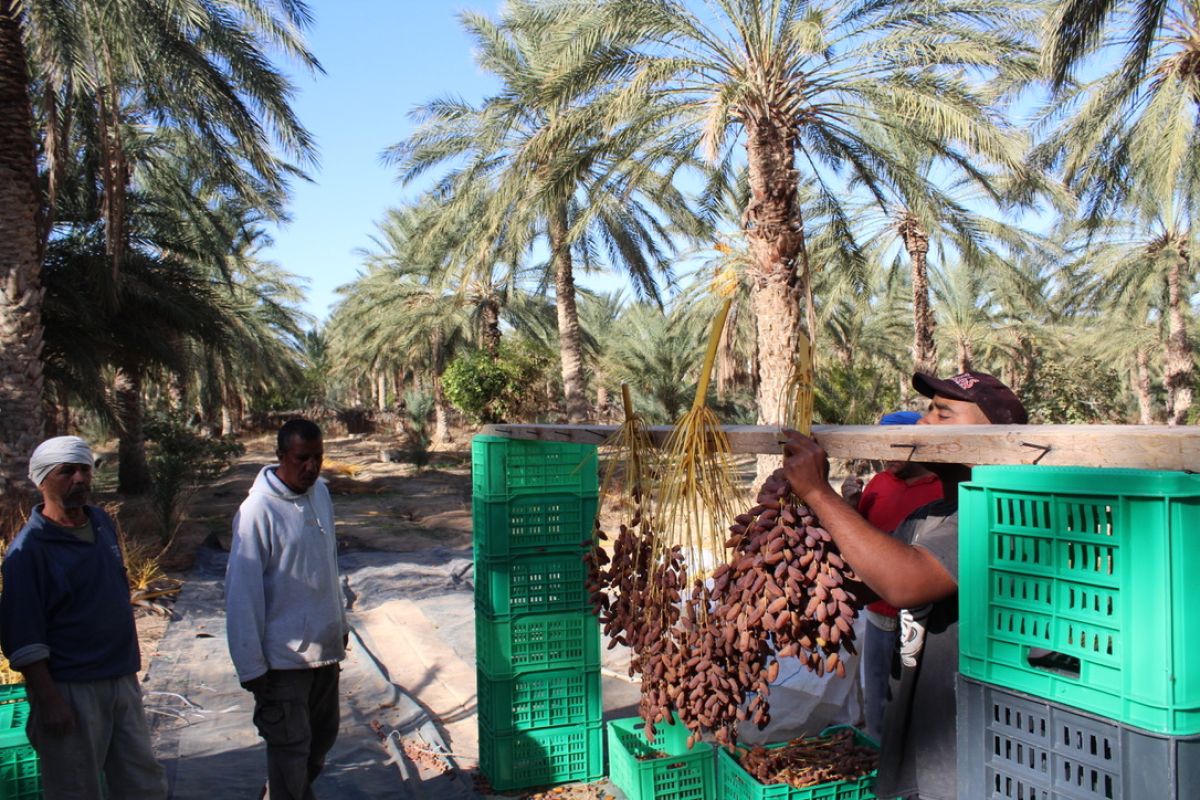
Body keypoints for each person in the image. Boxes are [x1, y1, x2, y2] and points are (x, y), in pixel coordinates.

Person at [782, 371, 1027, 800]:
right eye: (927, 411)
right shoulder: (932, 513)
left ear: (996, 436)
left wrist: (820, 495)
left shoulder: (995, 516)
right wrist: (805, 523)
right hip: (927, 748)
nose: (922, 425)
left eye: (942, 414)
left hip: (970, 757)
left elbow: (904, 583)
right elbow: (861, 585)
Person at [0, 436, 167, 800]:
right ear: (43, 480)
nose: (79, 478)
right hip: (70, 690)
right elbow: (23, 636)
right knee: (76, 789)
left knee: (143, 784)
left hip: (121, 678)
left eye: (84, 470)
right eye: (66, 472)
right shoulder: (29, 552)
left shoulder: (101, 522)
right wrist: (50, 701)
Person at [225, 418, 348, 800]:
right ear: (281, 456)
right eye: (302, 459)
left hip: (324, 653)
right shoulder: (257, 512)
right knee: (290, 750)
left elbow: (328, 564)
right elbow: (241, 595)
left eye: (318, 458)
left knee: (320, 741)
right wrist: (251, 666)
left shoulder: (320, 494)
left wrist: (339, 622)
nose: (311, 467)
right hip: (282, 662)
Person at [843, 411, 943, 743]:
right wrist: (849, 505)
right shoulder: (880, 483)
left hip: (925, 616)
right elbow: (859, 536)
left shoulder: (942, 486)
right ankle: (876, 752)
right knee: (876, 689)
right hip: (878, 612)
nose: (888, 455)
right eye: (883, 446)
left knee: (917, 696)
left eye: (897, 446)